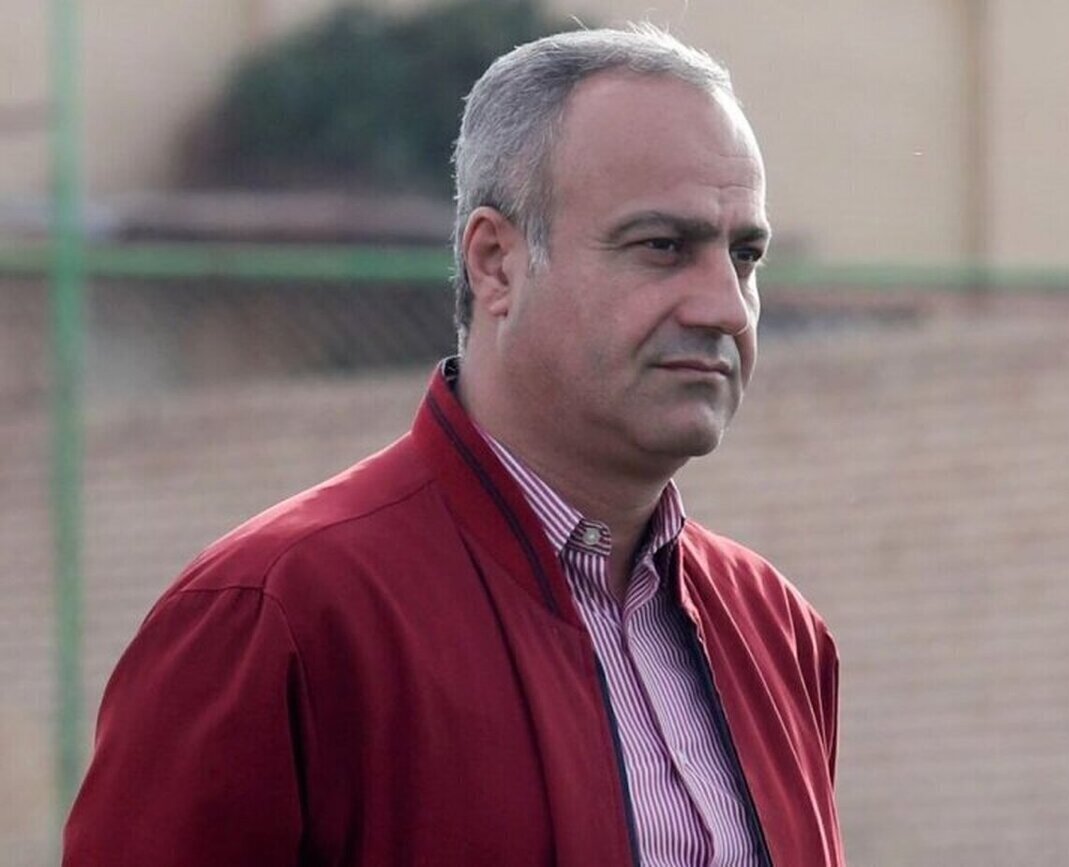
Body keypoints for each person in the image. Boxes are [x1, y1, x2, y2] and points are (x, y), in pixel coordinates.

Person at [64, 25, 843, 867]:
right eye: (663, 247)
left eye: (745, 255)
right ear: (495, 262)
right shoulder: (275, 614)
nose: (725, 306)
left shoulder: (777, 632)